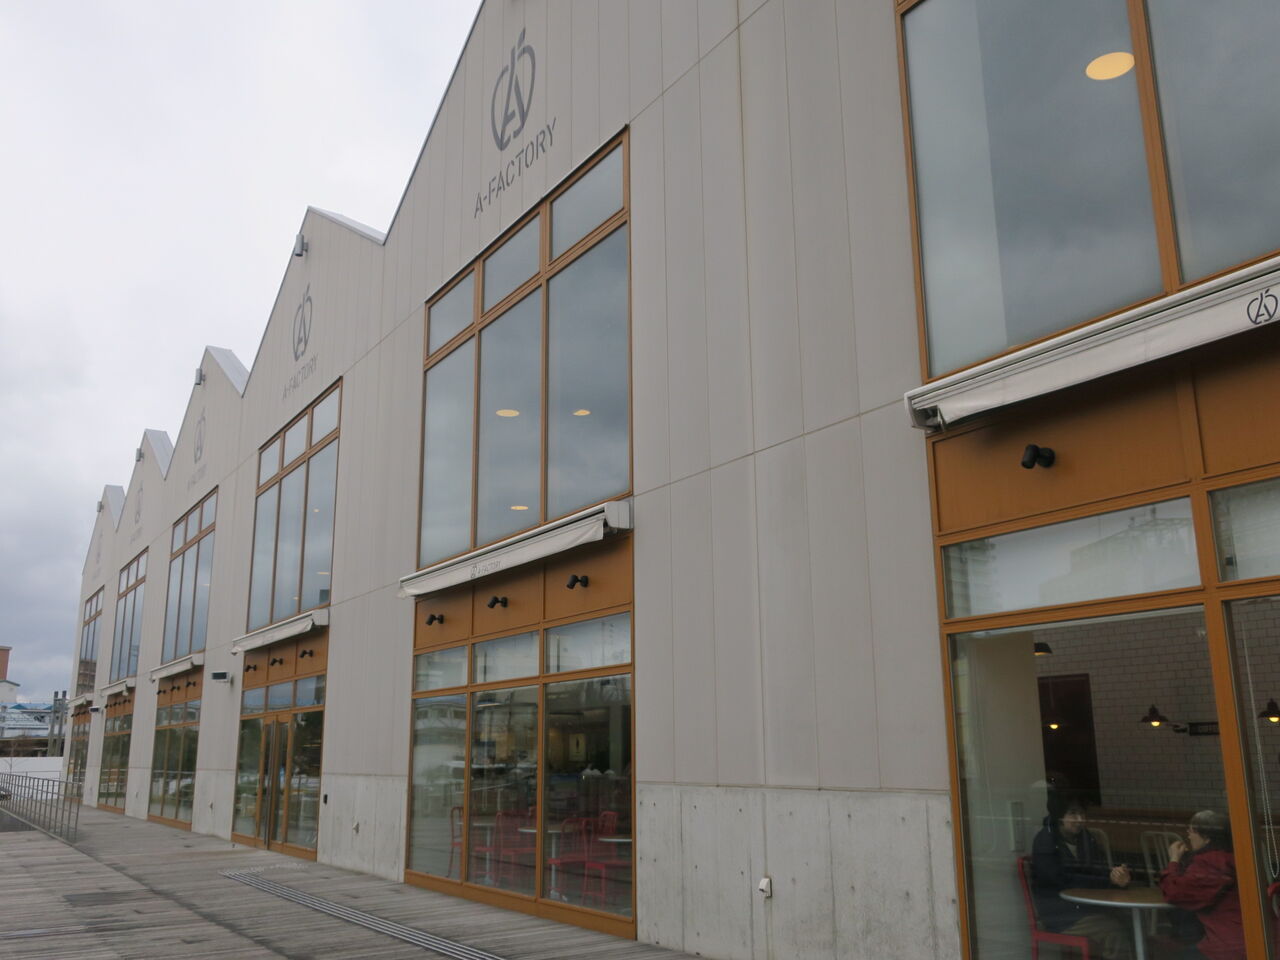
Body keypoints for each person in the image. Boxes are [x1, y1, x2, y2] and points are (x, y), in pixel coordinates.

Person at [1031, 796, 1135, 960]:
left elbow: (1098, 868)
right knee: (1114, 931)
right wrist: (1108, 880)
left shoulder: (1086, 838)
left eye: (1082, 814)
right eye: (1073, 814)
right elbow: (1062, 881)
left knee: (1132, 920)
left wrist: (1116, 875)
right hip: (1061, 914)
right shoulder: (1045, 842)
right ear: (1059, 816)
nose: (1080, 820)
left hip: (1086, 907)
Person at [1159, 811, 1245, 960]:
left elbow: (1176, 893)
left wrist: (1174, 860)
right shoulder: (1234, 856)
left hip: (1229, 944)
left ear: (1206, 838)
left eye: (1191, 831)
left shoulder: (1209, 863)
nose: (1188, 835)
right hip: (1248, 936)